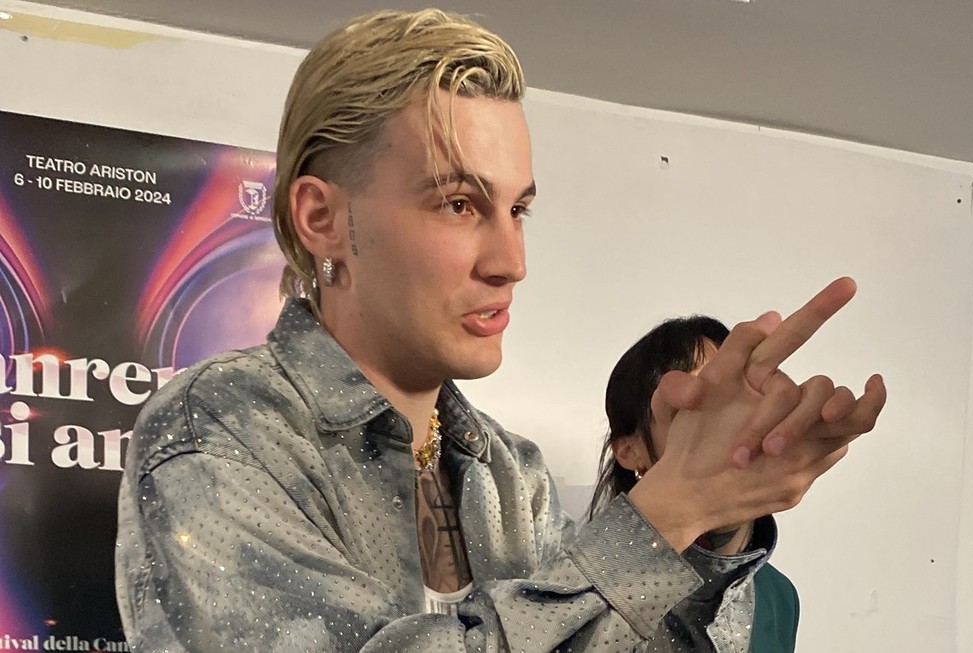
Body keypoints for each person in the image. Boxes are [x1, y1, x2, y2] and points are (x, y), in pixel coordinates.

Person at [115, 8, 886, 652]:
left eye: (518, 209)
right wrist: (666, 513)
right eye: (458, 203)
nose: (511, 261)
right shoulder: (219, 429)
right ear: (322, 218)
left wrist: (716, 510)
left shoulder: (513, 475)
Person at [588, 316, 801, 651]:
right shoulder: (590, 582)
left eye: (740, 403)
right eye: (693, 410)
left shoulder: (778, 595)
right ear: (630, 451)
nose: (728, 426)